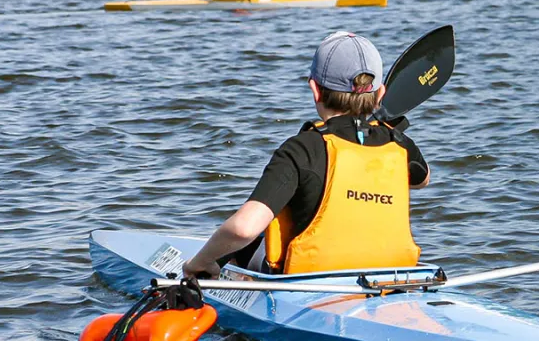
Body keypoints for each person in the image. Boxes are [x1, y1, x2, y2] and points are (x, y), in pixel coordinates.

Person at [183, 31, 431, 279]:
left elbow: (243, 229)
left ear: (315, 90)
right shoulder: (400, 146)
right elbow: (423, 179)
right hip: (386, 281)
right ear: (380, 94)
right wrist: (382, 131)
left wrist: (199, 263)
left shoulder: (301, 149)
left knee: (253, 240)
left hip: (308, 284)